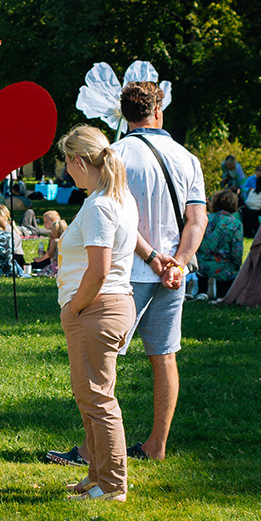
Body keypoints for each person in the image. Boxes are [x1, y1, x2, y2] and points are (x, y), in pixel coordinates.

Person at [109, 79, 203, 461]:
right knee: (164, 356)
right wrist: (178, 262)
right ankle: (156, 445)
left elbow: (114, 219)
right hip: (173, 275)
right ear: (158, 111)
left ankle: (96, 446)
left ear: (125, 114)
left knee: (105, 357)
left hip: (128, 269)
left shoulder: (114, 155)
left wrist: (152, 258)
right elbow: (197, 220)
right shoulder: (186, 157)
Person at [51, 124, 140, 503]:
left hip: (97, 308)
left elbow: (99, 269)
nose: (65, 171)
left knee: (99, 399)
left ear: (76, 160)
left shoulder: (101, 205)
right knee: (91, 395)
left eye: (65, 163)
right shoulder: (115, 198)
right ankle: (96, 476)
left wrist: (74, 307)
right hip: (106, 307)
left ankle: (113, 485)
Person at [195, 191, 244, 300]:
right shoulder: (235, 224)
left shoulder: (205, 220)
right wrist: (237, 266)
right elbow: (237, 252)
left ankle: (202, 291)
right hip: (224, 269)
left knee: (202, 278)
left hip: (202, 266)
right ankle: (218, 291)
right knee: (230, 279)